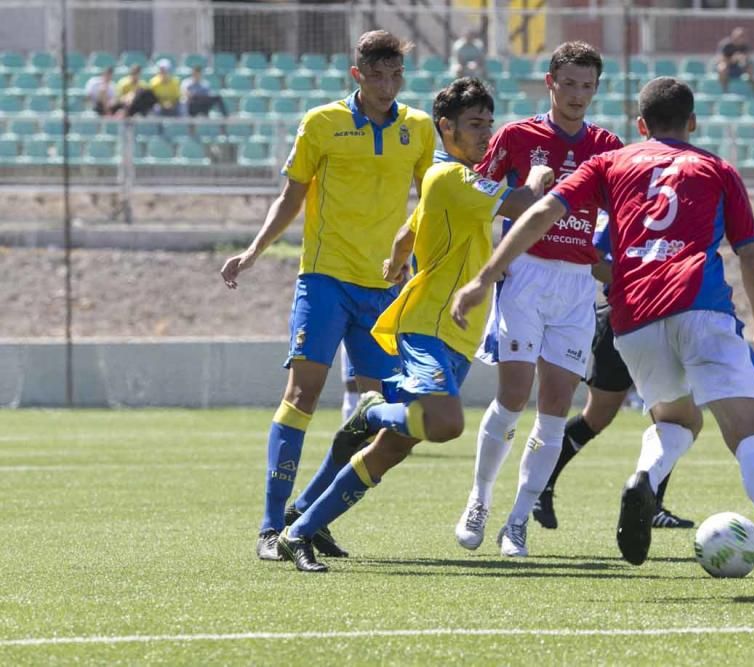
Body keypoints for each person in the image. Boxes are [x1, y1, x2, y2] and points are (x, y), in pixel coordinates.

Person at [451, 76, 754, 603]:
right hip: (699, 306)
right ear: (693, 123)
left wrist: (484, 277)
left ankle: (644, 477)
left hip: (632, 319)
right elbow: (751, 257)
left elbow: (542, 211)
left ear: (640, 126)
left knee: (680, 417)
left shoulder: (610, 163)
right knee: (748, 433)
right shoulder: (717, 168)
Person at [276, 78, 555, 572]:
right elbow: (521, 204)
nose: (485, 134)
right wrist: (539, 175)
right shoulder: (451, 176)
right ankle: (370, 413)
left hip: (457, 335)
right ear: (444, 127)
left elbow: (410, 228)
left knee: (396, 447)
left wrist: (398, 259)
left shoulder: (457, 180)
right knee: (445, 423)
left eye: (489, 124)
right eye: (474, 125)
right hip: (429, 326)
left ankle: (299, 529)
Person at [219, 30, 437, 564]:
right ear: (357, 75)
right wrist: (252, 251)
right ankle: (271, 528)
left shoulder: (418, 128)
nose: (387, 86)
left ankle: (306, 514)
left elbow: (432, 202)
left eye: (395, 76)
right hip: (324, 280)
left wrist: (425, 263)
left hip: (383, 289)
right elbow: (291, 196)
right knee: (303, 395)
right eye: (377, 76)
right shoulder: (322, 123)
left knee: (395, 413)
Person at [453, 41, 623, 559]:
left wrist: (607, 264)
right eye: (568, 83)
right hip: (524, 275)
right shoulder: (518, 136)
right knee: (513, 395)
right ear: (550, 82)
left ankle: (517, 520)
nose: (577, 95)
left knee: (554, 408)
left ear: (596, 89)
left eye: (586, 86)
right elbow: (474, 187)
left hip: (575, 285)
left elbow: (620, 216)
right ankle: (478, 500)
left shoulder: (608, 145)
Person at [533, 216, 693, 531]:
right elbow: (593, 259)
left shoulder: (675, 207)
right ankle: (538, 486)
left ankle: (653, 506)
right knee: (597, 417)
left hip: (667, 321)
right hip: (622, 321)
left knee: (670, 418)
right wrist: (638, 281)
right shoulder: (621, 209)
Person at [717, 27, 754, 93]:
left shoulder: (745, 46)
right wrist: (733, 59)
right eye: (739, 36)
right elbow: (721, 60)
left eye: (742, 36)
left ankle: (752, 90)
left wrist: (743, 59)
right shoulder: (726, 45)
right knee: (722, 68)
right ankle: (724, 90)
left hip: (739, 67)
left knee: (750, 67)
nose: (741, 38)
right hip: (728, 67)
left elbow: (748, 59)